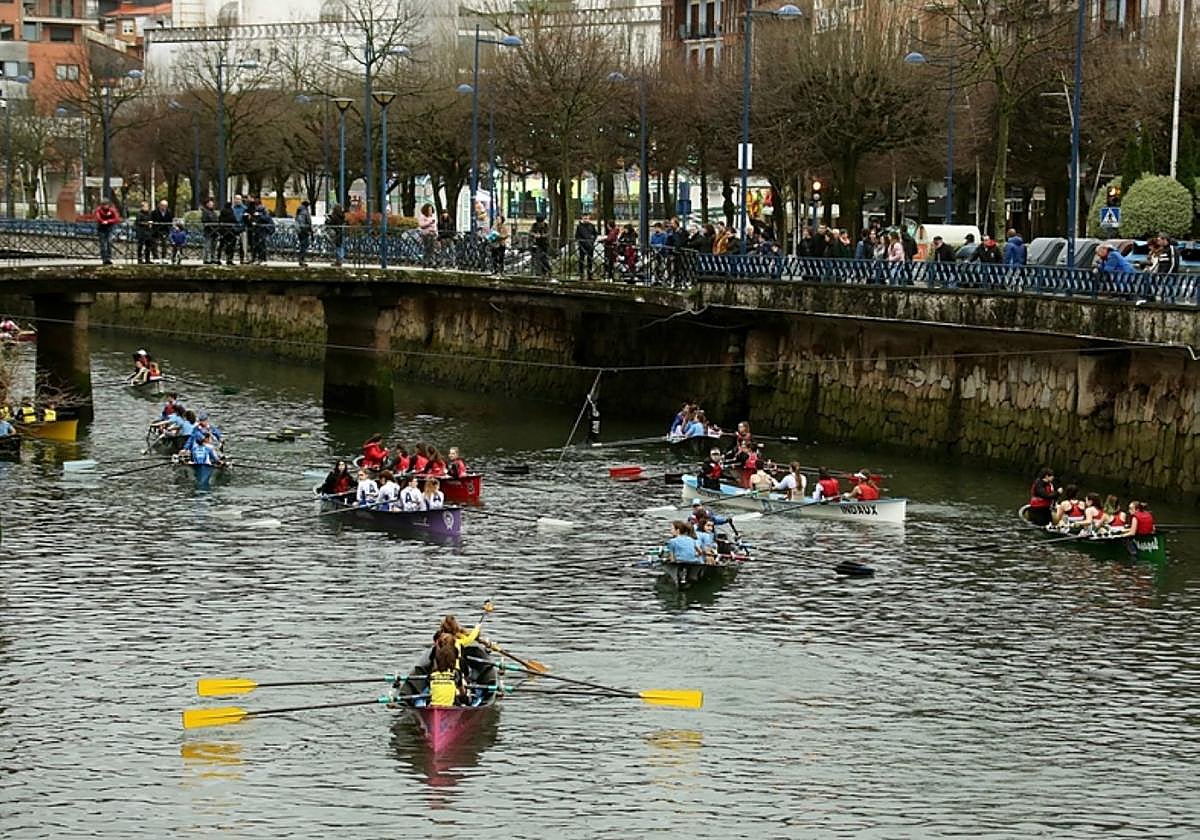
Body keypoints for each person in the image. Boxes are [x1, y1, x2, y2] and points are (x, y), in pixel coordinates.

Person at [427, 634, 462, 708]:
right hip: (450, 706)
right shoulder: (456, 673)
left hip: (434, 705)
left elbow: (430, 688)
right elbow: (462, 691)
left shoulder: (432, 673)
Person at [94, 198, 121, 265]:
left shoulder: (112, 210)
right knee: (103, 244)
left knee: (109, 242)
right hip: (101, 228)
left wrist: (108, 221)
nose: (105, 206)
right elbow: (98, 217)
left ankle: (108, 258)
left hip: (109, 228)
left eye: (106, 205)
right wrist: (102, 221)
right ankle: (104, 258)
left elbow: (116, 218)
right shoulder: (99, 210)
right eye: (104, 205)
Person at [575, 213, 598, 280]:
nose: (586, 220)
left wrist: (592, 240)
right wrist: (580, 242)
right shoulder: (579, 226)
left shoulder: (592, 226)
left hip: (590, 245)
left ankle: (590, 274)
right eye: (585, 218)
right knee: (581, 260)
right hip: (582, 245)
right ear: (582, 218)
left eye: (587, 218)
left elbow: (595, 234)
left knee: (590, 260)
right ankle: (581, 274)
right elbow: (577, 236)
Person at [151, 199, 173, 264]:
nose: (164, 207)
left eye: (165, 206)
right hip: (156, 230)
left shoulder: (169, 212)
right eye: (162, 205)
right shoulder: (154, 212)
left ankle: (164, 258)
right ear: (160, 205)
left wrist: (169, 228)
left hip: (165, 230)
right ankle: (156, 257)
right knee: (154, 244)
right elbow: (152, 220)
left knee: (165, 244)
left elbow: (170, 221)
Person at [201, 198, 220, 264]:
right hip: (208, 232)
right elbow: (204, 221)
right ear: (207, 204)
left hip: (215, 232)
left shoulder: (214, 212)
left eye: (212, 204)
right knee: (207, 246)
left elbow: (217, 220)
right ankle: (206, 259)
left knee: (214, 246)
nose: (212, 205)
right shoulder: (205, 212)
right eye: (210, 204)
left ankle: (213, 258)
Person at [295, 199, 313, 267]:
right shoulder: (304, 212)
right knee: (304, 245)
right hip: (303, 231)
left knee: (304, 245)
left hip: (301, 231)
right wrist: (307, 230)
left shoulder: (301, 210)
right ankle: (301, 260)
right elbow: (303, 222)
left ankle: (301, 259)